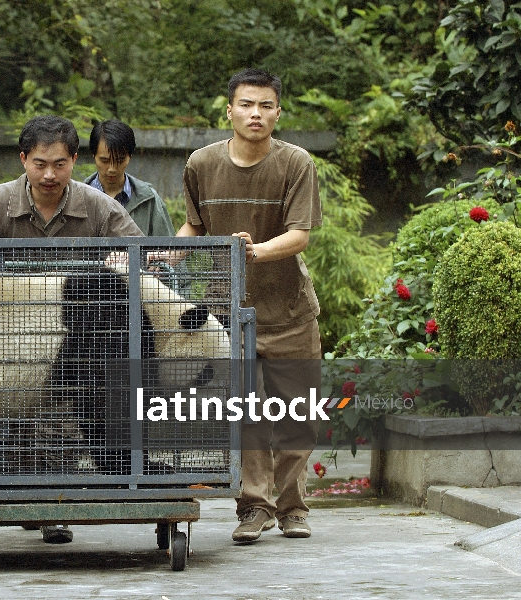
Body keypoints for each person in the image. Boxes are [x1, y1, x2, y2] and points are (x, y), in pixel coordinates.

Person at [0, 114, 144, 544]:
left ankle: (54, 504)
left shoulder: (97, 206)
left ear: (74, 161)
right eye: (39, 163)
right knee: (15, 422)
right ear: (23, 159)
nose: (49, 174)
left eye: (59, 164)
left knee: (62, 418)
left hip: (73, 340)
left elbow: (141, 252)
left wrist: (124, 262)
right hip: (10, 340)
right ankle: (22, 496)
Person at [174, 68, 322, 542]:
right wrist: (164, 253)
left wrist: (253, 250)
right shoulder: (201, 163)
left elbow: (299, 236)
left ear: (278, 112)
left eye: (265, 105)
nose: (255, 114)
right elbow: (194, 227)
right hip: (228, 312)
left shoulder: (296, 162)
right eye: (246, 104)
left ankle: (293, 507)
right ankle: (253, 508)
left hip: (290, 311)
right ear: (230, 109)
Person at [84, 119, 176, 237]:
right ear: (93, 155)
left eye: (120, 160)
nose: (112, 169)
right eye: (105, 161)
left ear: (130, 157)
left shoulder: (149, 200)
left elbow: (168, 249)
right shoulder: (78, 199)